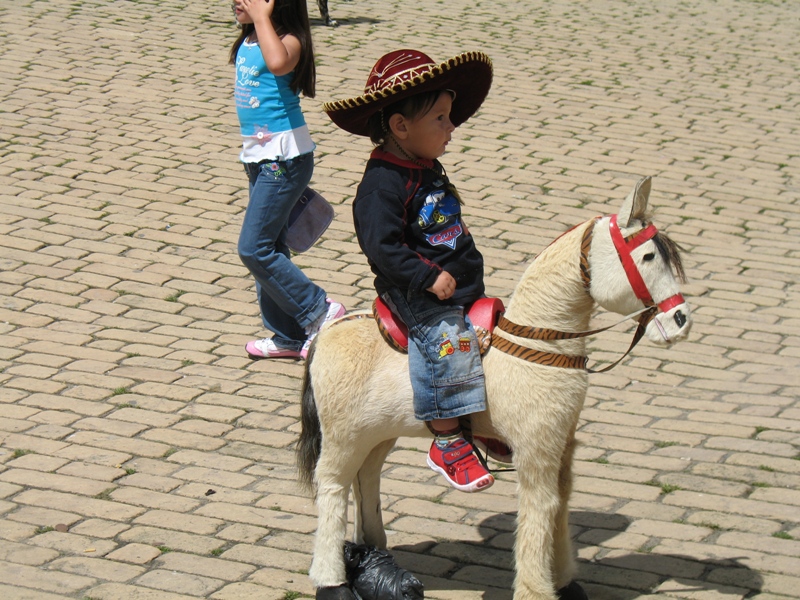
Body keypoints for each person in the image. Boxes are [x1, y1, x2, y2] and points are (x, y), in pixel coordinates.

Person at [324, 49, 498, 492]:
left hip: (460, 286)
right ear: (401, 127)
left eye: (449, 115)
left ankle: (487, 418)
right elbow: (381, 247)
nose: (451, 126)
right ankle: (447, 440)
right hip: (415, 292)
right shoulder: (381, 185)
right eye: (439, 117)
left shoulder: (424, 167)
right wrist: (426, 276)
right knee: (449, 344)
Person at [230, 0, 344, 360]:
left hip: (284, 158)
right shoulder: (250, 38)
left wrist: (263, 18)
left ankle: (319, 310)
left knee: (254, 248)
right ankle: (288, 336)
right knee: (272, 247)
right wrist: (260, 19)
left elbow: (278, 63)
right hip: (260, 158)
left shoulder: (290, 41)